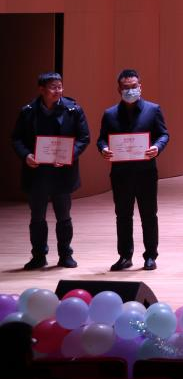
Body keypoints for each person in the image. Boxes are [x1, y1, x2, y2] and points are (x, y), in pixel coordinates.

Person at [12, 72, 90, 269]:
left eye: (60, 86)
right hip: (36, 173)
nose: (58, 91)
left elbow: (84, 138)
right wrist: (26, 155)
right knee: (37, 217)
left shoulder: (73, 110)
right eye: (53, 87)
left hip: (62, 173)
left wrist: (69, 155)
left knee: (63, 216)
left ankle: (65, 255)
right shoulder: (28, 111)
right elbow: (17, 138)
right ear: (42, 89)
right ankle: (38, 256)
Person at [97, 69, 169, 271]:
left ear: (140, 87)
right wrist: (103, 149)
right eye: (126, 87)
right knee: (123, 215)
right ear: (119, 89)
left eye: (134, 86)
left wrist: (157, 147)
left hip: (146, 171)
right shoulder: (110, 114)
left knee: (149, 215)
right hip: (120, 173)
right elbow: (101, 139)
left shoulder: (153, 110)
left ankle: (150, 256)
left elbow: (163, 134)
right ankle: (125, 256)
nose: (130, 90)